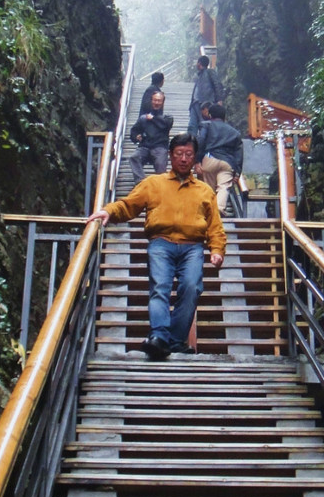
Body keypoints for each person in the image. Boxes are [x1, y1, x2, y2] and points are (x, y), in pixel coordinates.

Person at [87, 133, 226, 360]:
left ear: (194, 158)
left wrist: (217, 250)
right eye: (179, 154)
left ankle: (175, 340)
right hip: (161, 242)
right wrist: (109, 211)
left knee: (191, 288)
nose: (183, 158)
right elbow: (128, 205)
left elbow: (215, 226)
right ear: (170, 156)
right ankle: (159, 336)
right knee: (160, 287)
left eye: (188, 154)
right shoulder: (153, 184)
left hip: (193, 246)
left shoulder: (204, 191)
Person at [195, 103, 243, 213]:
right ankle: (219, 208)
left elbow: (201, 141)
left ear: (210, 115)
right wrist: (237, 173)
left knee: (208, 188)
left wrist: (197, 161)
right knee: (223, 187)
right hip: (228, 162)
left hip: (210, 158)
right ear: (224, 117)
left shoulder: (206, 125)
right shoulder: (234, 132)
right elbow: (239, 153)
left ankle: (206, 211)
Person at [128, 90, 173, 182]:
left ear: (162, 102)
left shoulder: (167, 118)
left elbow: (165, 125)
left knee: (160, 163)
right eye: (155, 100)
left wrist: (153, 119)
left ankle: (160, 185)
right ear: (151, 101)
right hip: (145, 146)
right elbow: (134, 131)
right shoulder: (144, 118)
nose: (156, 103)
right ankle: (141, 182)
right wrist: (136, 136)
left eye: (159, 100)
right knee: (134, 157)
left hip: (160, 147)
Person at [187, 55, 224, 135]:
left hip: (205, 104)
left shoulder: (210, 72)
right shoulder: (198, 76)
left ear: (199, 63)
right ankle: (190, 143)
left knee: (204, 125)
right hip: (195, 104)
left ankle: (203, 144)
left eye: (197, 62)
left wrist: (219, 100)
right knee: (192, 126)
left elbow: (217, 84)